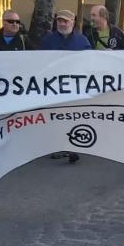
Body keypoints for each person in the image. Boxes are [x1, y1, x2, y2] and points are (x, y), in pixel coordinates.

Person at [41, 10, 92, 163]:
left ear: (72, 22)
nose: (62, 24)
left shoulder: (82, 41)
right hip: (53, 87)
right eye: (59, 21)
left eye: (66, 21)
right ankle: (57, 146)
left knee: (73, 117)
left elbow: (90, 63)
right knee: (56, 118)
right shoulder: (48, 41)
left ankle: (73, 148)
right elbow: (39, 62)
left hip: (75, 87)